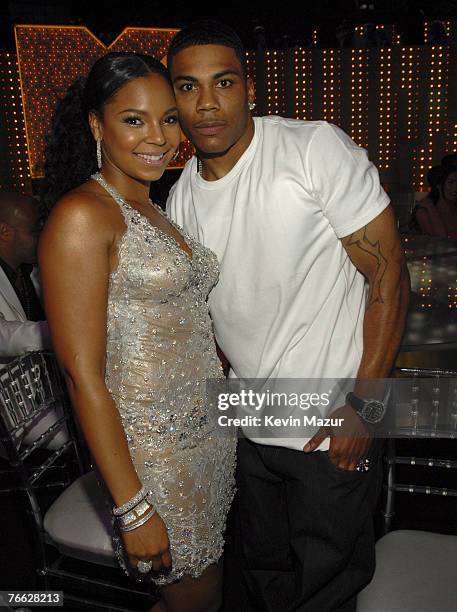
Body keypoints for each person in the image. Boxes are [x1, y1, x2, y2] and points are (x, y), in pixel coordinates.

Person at [166, 20, 410, 612]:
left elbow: (389, 274)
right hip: (248, 420)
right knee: (265, 574)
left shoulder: (311, 149)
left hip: (333, 419)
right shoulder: (180, 197)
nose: (207, 103)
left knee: (327, 587)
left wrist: (367, 405)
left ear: (249, 86)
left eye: (222, 82)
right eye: (188, 86)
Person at [39, 52, 236, 612]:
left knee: (198, 592)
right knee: (199, 598)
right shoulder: (83, 216)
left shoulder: (153, 205)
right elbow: (83, 378)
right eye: (134, 120)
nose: (159, 137)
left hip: (206, 435)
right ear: (97, 125)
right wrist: (133, 507)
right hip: (153, 456)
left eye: (170, 119)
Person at [0, 192, 49, 365]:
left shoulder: (35, 270)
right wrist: (60, 331)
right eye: (35, 231)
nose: (44, 237)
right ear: (4, 231)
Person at [414, 167, 457, 237]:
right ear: (439, 185)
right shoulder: (424, 212)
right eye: (450, 182)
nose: (455, 187)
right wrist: (431, 208)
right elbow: (441, 238)